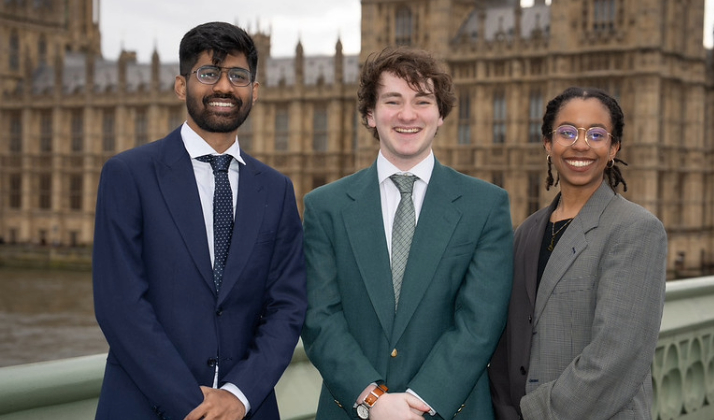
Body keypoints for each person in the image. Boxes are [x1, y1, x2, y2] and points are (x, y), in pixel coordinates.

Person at [92, 22, 306, 420]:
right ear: (181, 86)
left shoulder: (276, 189)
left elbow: (288, 307)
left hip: (247, 409)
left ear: (254, 91)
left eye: (238, 76)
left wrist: (238, 396)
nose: (224, 88)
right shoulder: (128, 174)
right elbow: (120, 307)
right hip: (146, 407)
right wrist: (196, 407)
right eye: (208, 73)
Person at [301, 46, 514, 420]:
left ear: (440, 114)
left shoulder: (487, 205)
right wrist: (373, 399)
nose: (407, 115)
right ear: (370, 114)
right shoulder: (324, 207)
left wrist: (420, 400)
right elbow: (319, 318)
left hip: (451, 409)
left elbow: (481, 322)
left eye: (422, 101)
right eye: (392, 101)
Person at [488, 87, 667, 419]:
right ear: (547, 143)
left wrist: (533, 412)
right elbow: (506, 341)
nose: (580, 144)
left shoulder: (636, 229)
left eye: (596, 134)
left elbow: (618, 355)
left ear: (614, 148)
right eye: (566, 132)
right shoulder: (526, 232)